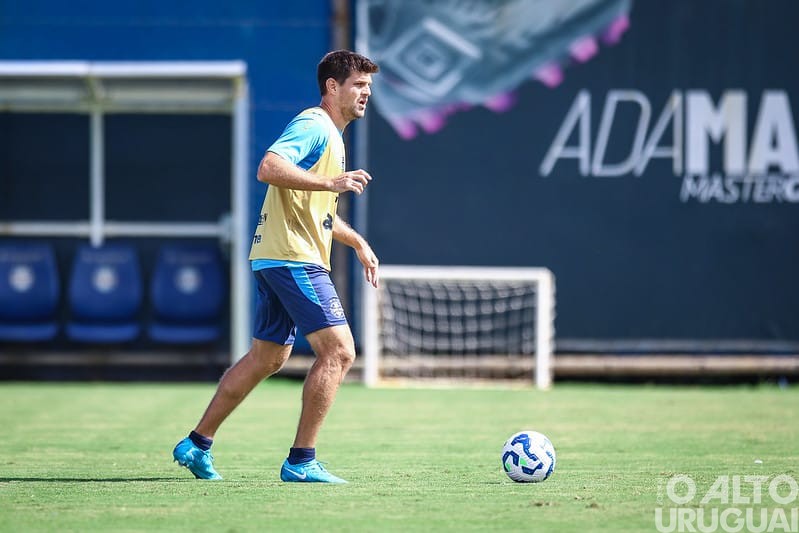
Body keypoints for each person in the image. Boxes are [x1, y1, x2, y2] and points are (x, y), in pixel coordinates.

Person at [172, 50, 380, 484]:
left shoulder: (331, 136)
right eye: (359, 85)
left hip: (278, 256)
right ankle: (302, 461)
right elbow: (269, 167)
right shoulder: (314, 125)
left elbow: (316, 209)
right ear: (332, 87)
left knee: (268, 356)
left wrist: (357, 241)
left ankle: (197, 443)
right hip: (294, 257)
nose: (366, 93)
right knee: (340, 351)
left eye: (369, 87)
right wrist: (329, 181)